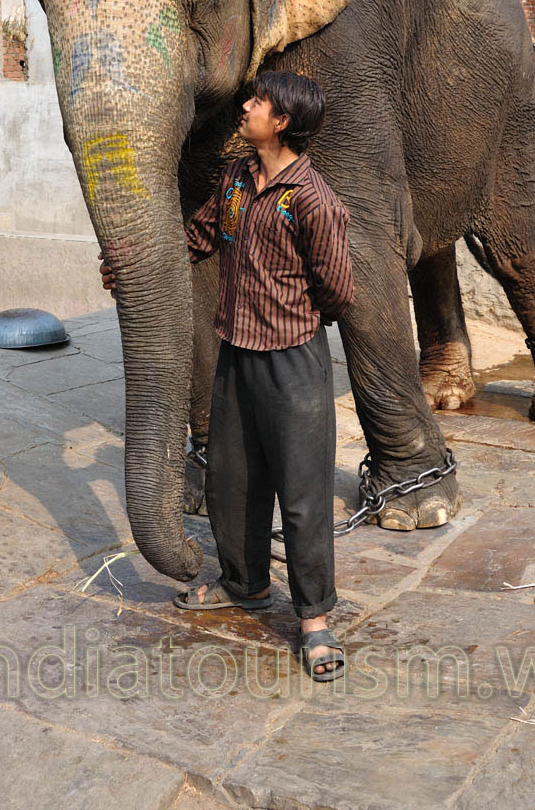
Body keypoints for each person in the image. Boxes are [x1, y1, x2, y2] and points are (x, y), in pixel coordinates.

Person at [100, 72, 354, 680]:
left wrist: (290, 315)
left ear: (283, 121)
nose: (246, 107)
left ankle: (314, 618)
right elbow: (200, 236)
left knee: (301, 494)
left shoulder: (313, 199)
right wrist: (133, 266)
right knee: (232, 480)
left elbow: (339, 292)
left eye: (258, 102)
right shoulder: (238, 180)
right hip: (235, 354)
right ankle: (245, 583)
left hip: (293, 360)